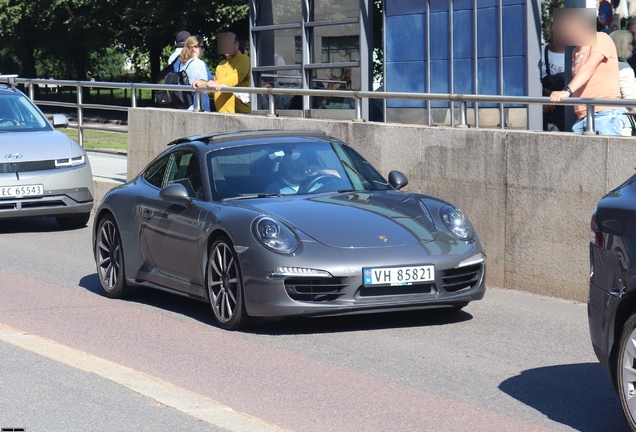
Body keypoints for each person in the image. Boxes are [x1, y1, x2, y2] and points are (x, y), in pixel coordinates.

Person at [550, 9, 626, 136]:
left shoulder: (601, 38)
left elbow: (589, 68)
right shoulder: (576, 51)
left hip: (605, 113)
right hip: (583, 116)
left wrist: (566, 91)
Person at [192, 32, 251, 113]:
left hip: (240, 113)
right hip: (222, 114)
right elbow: (215, 87)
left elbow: (235, 78)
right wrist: (202, 84)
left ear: (237, 44)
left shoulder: (245, 60)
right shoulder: (221, 64)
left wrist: (216, 83)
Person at [264, 150, 340, 195]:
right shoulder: (274, 189)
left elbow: (348, 178)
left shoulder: (320, 180)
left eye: (304, 159)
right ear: (286, 162)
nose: (302, 162)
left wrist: (321, 170)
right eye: (297, 159)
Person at [609, 30, 636, 135]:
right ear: (622, 45)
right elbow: (630, 98)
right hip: (623, 121)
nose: (632, 46)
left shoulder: (610, 64)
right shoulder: (623, 67)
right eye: (630, 43)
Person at [540, 31, 566, 131]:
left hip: (561, 109)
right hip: (538, 103)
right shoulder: (539, 51)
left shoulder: (571, 57)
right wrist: (544, 95)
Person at [178, 36, 211, 111]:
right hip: (198, 103)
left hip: (184, 103)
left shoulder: (182, 63)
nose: (203, 49)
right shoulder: (199, 64)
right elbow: (205, 84)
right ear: (194, 48)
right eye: (202, 47)